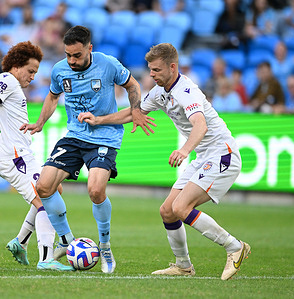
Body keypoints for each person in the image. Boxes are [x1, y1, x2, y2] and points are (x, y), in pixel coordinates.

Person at [78, 43, 250, 280]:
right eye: (150, 69)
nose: (151, 74)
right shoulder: (160, 92)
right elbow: (134, 113)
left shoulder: (186, 91)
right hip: (204, 156)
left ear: (172, 67)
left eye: (156, 70)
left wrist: (184, 150)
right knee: (168, 211)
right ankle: (183, 265)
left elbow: (201, 125)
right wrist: (98, 120)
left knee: (181, 208)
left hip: (222, 154)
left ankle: (235, 247)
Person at [20, 25, 152, 274]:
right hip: (74, 135)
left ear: (89, 49)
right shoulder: (60, 70)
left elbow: (133, 85)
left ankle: (104, 245)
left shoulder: (108, 64)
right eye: (68, 54)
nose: (71, 60)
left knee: (95, 190)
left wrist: (135, 111)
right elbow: (52, 96)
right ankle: (68, 241)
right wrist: (40, 122)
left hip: (105, 137)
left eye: (77, 55)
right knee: (44, 186)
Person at [0, 41, 73, 271]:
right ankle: (46, 258)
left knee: (53, 189)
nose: (32, 77)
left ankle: (20, 241)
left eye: (35, 72)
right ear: (17, 66)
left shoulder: (10, 86)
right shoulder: (7, 80)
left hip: (14, 154)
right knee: (46, 200)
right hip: (14, 156)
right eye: (30, 71)